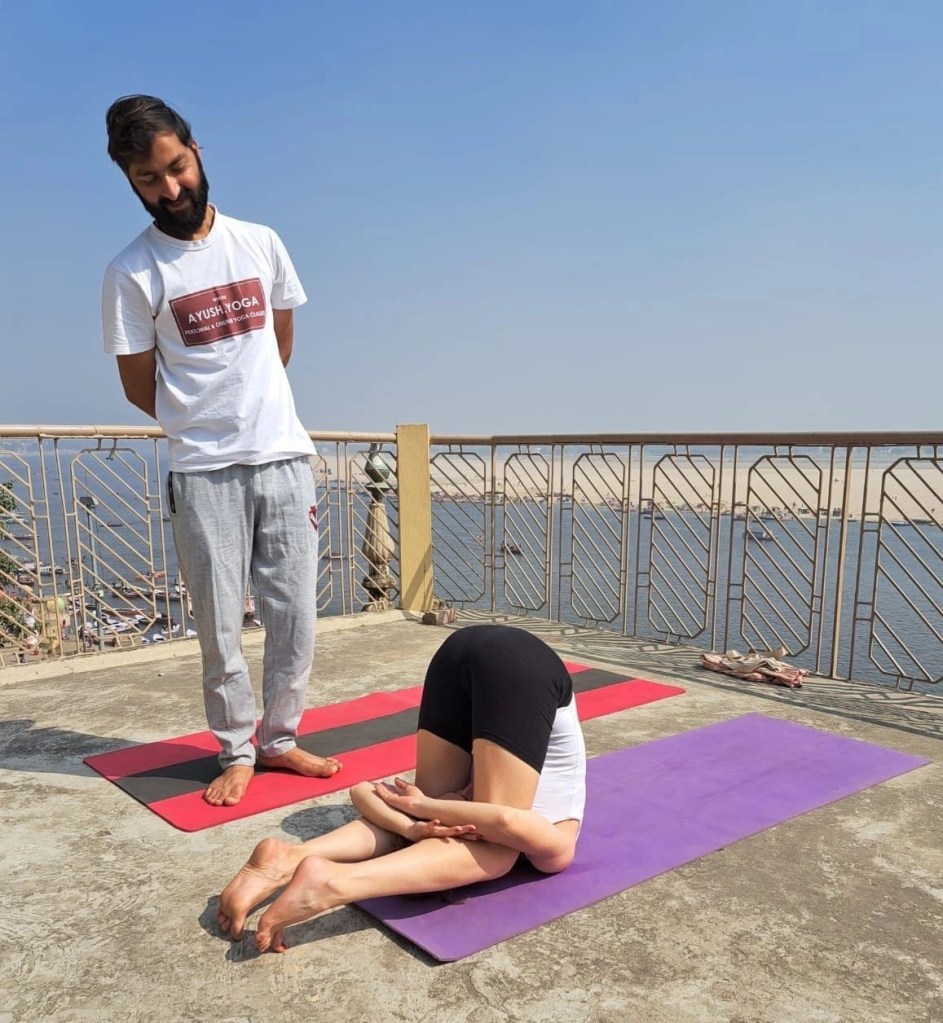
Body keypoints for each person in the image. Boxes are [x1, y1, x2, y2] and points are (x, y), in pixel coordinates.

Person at [101, 95, 339, 808]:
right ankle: (236, 748)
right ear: (130, 181)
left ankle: (280, 738)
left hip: (283, 457)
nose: (171, 189)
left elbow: (280, 344)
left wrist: (254, 411)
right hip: (202, 471)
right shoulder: (132, 271)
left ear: (197, 150)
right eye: (150, 179)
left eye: (176, 167)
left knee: (294, 610)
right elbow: (138, 383)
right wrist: (199, 422)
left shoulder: (261, 242)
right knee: (219, 623)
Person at [217, 624, 587, 953]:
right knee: (497, 854)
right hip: (520, 667)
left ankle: (290, 857)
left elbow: (376, 798)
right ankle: (334, 882)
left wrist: (417, 820)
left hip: (460, 649)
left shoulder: (458, 797)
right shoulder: (555, 847)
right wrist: (425, 808)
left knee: (417, 818)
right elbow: (506, 822)